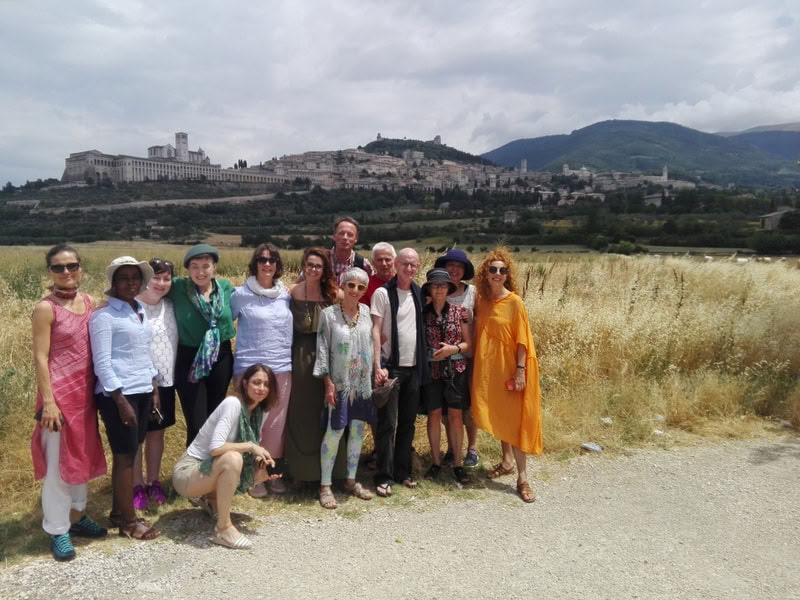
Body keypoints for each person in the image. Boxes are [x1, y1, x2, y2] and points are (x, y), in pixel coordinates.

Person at [31, 244, 108, 561]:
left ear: (81, 267)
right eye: (58, 267)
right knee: (59, 466)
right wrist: (48, 401)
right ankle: (57, 528)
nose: (66, 272)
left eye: (71, 265)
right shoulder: (45, 308)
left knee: (81, 459)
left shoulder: (89, 302)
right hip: (59, 399)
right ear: (49, 272)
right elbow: (40, 356)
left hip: (85, 398)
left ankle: (77, 517)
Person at [90, 256, 161, 538]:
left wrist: (153, 387)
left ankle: (119, 512)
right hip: (118, 395)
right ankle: (130, 524)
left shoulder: (139, 309)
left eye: (135, 277)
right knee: (125, 457)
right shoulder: (104, 316)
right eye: (124, 278)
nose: (131, 283)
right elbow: (103, 363)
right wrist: (120, 401)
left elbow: (143, 352)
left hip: (142, 389)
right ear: (114, 283)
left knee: (130, 453)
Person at [171, 364, 279, 549]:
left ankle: (210, 500)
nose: (261, 388)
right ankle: (223, 529)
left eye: (266, 384)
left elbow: (249, 453)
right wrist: (252, 446)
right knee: (233, 459)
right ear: (245, 384)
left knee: (250, 467)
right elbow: (216, 448)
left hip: (207, 470)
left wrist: (262, 467)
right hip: (187, 473)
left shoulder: (259, 412)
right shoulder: (233, 404)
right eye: (256, 382)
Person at [471, 248, 542, 503]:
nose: (498, 274)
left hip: (511, 369)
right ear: (485, 274)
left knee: (516, 422)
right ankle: (507, 461)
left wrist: (521, 371)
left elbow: (523, 341)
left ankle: (523, 478)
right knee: (501, 416)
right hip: (489, 370)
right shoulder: (481, 300)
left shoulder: (514, 302)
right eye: (493, 270)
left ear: (507, 274)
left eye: (503, 270)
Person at [231, 243, 293, 496]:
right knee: (251, 423)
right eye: (262, 259)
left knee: (276, 425)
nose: (267, 264)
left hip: (281, 366)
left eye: (272, 260)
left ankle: (272, 473)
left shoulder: (285, 294)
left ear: (278, 265)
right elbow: (222, 324)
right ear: (254, 263)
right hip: (250, 368)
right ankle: (251, 476)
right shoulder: (239, 294)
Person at [313, 268, 377, 508]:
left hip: (361, 384)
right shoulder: (329, 315)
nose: (356, 291)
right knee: (334, 431)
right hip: (339, 383)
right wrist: (327, 382)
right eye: (351, 285)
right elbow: (322, 349)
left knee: (357, 431)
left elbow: (372, 343)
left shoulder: (367, 312)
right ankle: (325, 485)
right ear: (343, 286)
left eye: (361, 287)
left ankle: (351, 480)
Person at [370, 248, 429, 497]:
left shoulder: (419, 292)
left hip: (414, 368)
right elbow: (375, 330)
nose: (409, 268)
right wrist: (377, 366)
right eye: (404, 263)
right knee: (387, 424)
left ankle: (403, 472)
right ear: (396, 264)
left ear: (418, 267)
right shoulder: (383, 293)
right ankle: (383, 475)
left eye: (413, 265)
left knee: (407, 424)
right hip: (391, 367)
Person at [285, 248, 343, 484]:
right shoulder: (293, 293)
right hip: (299, 357)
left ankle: (332, 472)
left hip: (328, 356)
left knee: (328, 411)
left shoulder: (334, 295)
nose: (313, 269)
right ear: (303, 265)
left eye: (318, 266)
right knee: (302, 413)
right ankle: (302, 471)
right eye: (309, 264)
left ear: (324, 269)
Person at [168, 244, 235, 446]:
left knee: (216, 417)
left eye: (205, 266)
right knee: (197, 423)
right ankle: (192, 473)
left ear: (214, 267)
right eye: (194, 266)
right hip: (190, 358)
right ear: (188, 270)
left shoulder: (225, 287)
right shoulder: (178, 287)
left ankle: (212, 470)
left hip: (221, 356)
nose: (200, 272)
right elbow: (149, 289)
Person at [132, 258, 179, 511]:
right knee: (137, 436)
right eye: (155, 277)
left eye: (166, 278)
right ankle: (136, 485)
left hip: (167, 382)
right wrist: (150, 383)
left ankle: (153, 481)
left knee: (157, 434)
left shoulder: (170, 306)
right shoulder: (133, 307)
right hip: (140, 383)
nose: (161, 283)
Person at [420, 268, 472, 486]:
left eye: (443, 285)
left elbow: (469, 343)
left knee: (455, 417)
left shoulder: (460, 312)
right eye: (435, 285)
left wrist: (453, 349)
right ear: (430, 289)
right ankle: (436, 461)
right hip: (432, 371)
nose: (439, 288)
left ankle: (458, 464)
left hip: (456, 370)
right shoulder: (422, 314)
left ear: (449, 288)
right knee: (433, 415)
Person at [433, 249, 480, 469]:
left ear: (464, 270)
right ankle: (453, 448)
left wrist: (473, 317)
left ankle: (472, 449)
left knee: (467, 408)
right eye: (450, 265)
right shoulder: (436, 290)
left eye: (458, 266)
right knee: (446, 410)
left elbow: (485, 316)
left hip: (468, 357)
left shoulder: (473, 292)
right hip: (443, 359)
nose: (453, 270)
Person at [362, 242, 396, 306]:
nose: (384, 264)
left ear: (395, 261)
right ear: (373, 262)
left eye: (387, 259)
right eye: (379, 260)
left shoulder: (404, 283)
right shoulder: (366, 287)